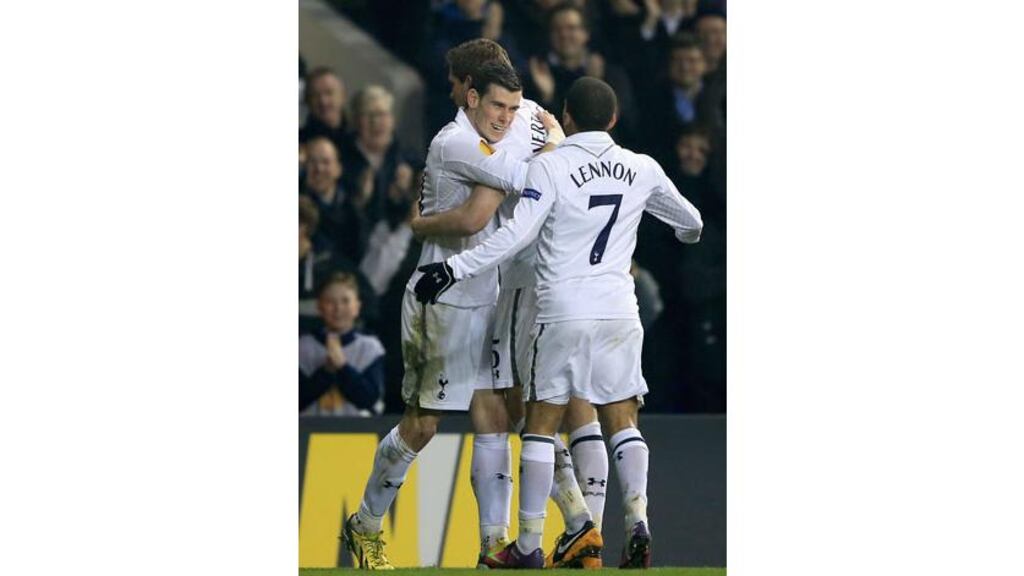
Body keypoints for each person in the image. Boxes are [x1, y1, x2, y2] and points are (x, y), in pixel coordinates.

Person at [414, 77, 703, 568]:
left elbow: (514, 235)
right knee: (621, 419)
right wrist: (663, 223)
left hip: (562, 308)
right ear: (613, 120)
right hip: (620, 310)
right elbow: (691, 222)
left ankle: (528, 544)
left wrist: (454, 268)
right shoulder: (642, 167)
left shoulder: (550, 167)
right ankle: (637, 521)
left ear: (566, 117)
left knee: (541, 425)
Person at [341, 61, 573, 570]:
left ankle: (500, 543)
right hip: (442, 300)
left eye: (514, 108)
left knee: (502, 413)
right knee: (422, 425)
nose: (506, 118)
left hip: (490, 295)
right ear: (471, 97)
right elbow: (522, 185)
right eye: (497, 106)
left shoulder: (506, 128)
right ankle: (364, 523)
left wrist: (539, 126)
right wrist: (550, 139)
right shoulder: (455, 144)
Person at [410, 38, 608, 568]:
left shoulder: (478, 137)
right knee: (525, 405)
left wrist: (420, 223)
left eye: (457, 86)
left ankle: (532, 535)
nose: (456, 96)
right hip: (556, 279)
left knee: (502, 408)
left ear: (471, 88)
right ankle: (575, 527)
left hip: (519, 279)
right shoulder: (542, 118)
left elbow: (478, 214)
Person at [525, 3, 638, 147]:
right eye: (557, 29)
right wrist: (547, 97)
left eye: (571, 28)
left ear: (586, 33)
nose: (564, 35)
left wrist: (597, 84)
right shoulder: (537, 75)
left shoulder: (611, 74)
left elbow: (628, 125)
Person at [299, 273, 386, 416]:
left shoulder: (370, 348)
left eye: (345, 301)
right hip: (307, 433)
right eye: (330, 302)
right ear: (319, 306)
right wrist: (326, 371)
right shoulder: (303, 347)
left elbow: (369, 400)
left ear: (357, 306)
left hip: (358, 433)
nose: (338, 308)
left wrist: (342, 367)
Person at [300, 67, 349, 154]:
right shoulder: (300, 143)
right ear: (307, 101)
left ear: (343, 96)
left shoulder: (360, 136)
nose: (323, 101)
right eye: (315, 95)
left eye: (329, 93)